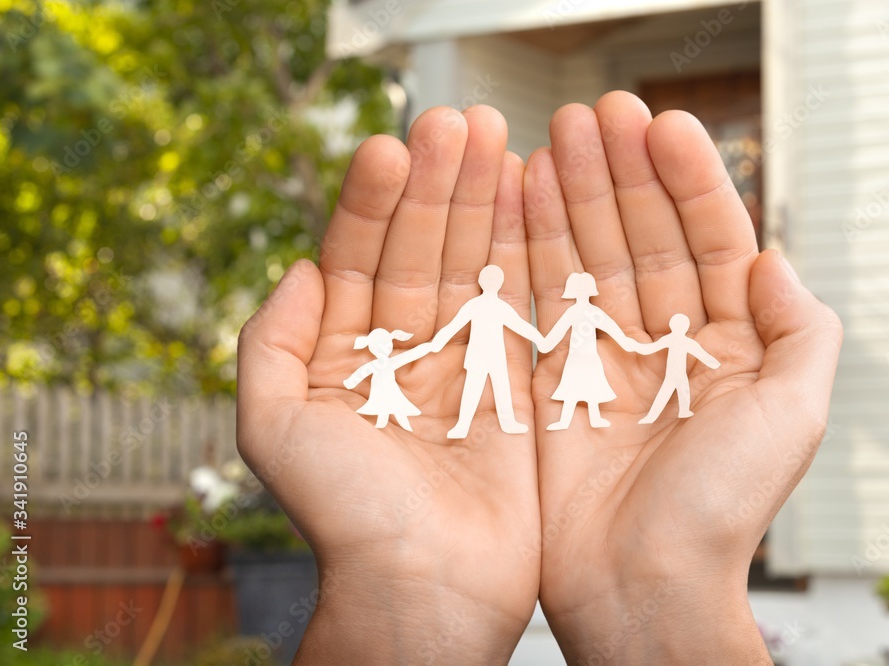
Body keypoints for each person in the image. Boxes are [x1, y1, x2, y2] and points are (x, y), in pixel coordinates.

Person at [236, 92, 843, 664]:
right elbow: (470, 335)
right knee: (494, 391)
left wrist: (672, 584)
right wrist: (397, 587)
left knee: (540, 392)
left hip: (527, 364)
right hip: (482, 364)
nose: (497, 288)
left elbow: (541, 337)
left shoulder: (528, 309)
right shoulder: (484, 308)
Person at [429, 264, 544, 439]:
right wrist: (439, 340)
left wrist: (539, 339)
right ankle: (463, 425)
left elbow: (520, 325)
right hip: (479, 356)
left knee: (498, 388)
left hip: (494, 356)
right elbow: (455, 325)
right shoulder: (477, 305)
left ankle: (506, 422)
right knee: (475, 389)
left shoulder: (490, 306)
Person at [537, 271, 641, 430]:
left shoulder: (591, 312)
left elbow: (611, 327)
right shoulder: (576, 312)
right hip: (576, 358)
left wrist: (625, 341)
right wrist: (546, 343)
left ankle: (594, 418)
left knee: (591, 386)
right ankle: (565, 421)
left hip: (589, 357)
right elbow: (559, 329)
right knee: (572, 388)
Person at [343, 328, 433, 431]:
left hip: (389, 388)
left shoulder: (383, 363)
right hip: (381, 389)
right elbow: (363, 371)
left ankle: (401, 425)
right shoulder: (384, 363)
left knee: (396, 407)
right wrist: (351, 381)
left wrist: (425, 349)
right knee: (388, 407)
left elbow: (409, 356)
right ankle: (382, 424)